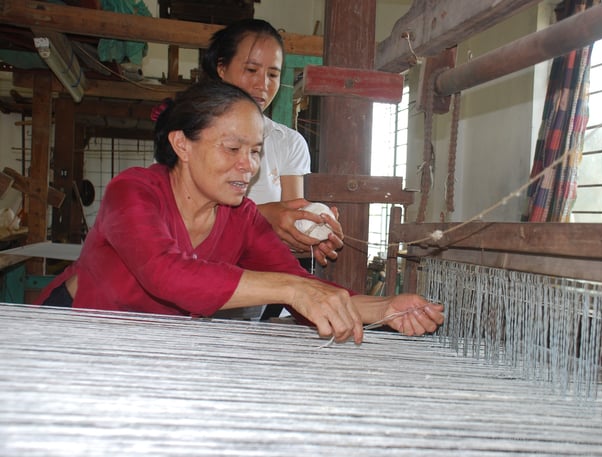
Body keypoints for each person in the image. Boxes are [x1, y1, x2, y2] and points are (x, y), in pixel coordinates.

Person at [35, 81, 444, 344]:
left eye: (254, 152)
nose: (248, 166)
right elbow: (166, 274)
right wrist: (288, 289)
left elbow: (304, 288)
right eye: (232, 149)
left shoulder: (241, 217)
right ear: (182, 145)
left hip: (155, 347)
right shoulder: (134, 191)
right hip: (76, 333)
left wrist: (386, 308)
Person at [202, 19, 342, 320]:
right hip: (203, 284)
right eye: (251, 70)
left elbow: (290, 217)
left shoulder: (288, 142)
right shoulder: (195, 135)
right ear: (222, 68)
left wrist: (311, 232)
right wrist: (269, 215)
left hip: (264, 290)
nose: (262, 84)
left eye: (273, 74)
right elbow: (189, 217)